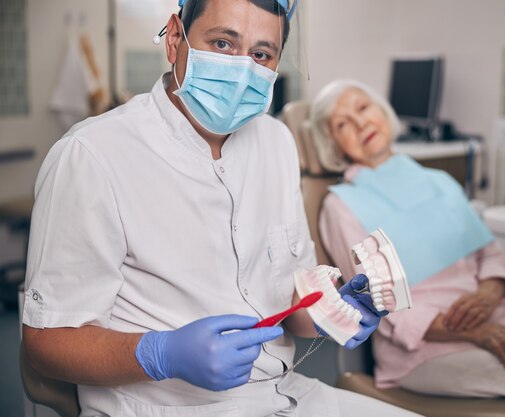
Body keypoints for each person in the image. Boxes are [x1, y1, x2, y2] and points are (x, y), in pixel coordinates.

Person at [21, 2, 422, 416]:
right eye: (222, 43)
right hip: (161, 406)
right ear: (175, 39)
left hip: (282, 393)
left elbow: (292, 309)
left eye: (261, 54)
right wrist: (161, 354)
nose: (242, 68)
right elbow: (45, 346)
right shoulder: (93, 154)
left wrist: (333, 310)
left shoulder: (277, 142)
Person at [311, 79, 505, 417]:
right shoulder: (341, 206)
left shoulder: (439, 181)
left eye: (363, 108)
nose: (360, 124)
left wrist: (490, 291)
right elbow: (378, 304)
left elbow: (490, 253)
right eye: (343, 123)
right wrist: (482, 333)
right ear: (333, 144)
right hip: (426, 354)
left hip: (500, 321)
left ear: (383, 113)